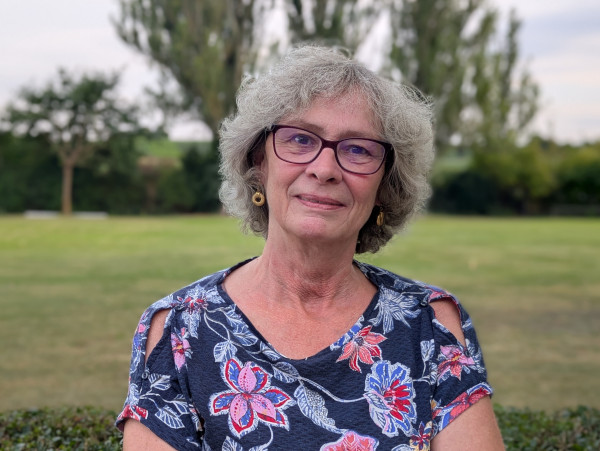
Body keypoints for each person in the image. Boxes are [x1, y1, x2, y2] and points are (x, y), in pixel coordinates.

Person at [117, 45, 504, 450]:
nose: (324, 169)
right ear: (259, 163)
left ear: (385, 185)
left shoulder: (431, 326)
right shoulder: (180, 329)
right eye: (300, 139)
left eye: (358, 149)